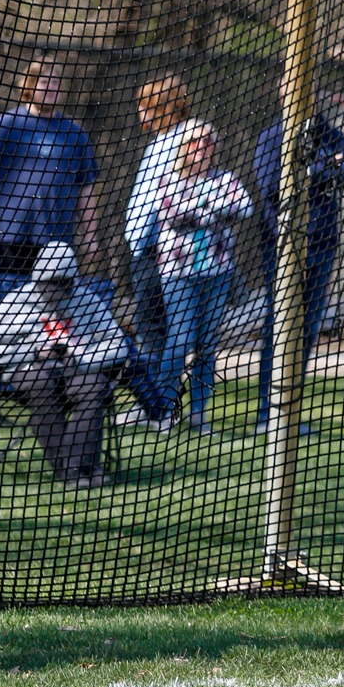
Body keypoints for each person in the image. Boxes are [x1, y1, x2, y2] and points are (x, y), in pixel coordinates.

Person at [0, 242, 129, 489]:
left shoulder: (86, 300)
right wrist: (33, 351)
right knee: (40, 383)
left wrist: (82, 355)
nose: (57, 292)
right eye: (51, 285)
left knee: (94, 386)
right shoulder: (17, 301)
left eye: (63, 284)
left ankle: (77, 467)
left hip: (76, 369)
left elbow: (118, 344)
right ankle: (74, 470)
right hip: (27, 371)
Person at [253, 93, 344, 434]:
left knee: (308, 329)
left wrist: (314, 169)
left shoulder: (327, 132)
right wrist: (324, 167)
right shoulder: (272, 137)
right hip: (282, 245)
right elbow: (273, 185)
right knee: (280, 327)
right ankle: (268, 414)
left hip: (324, 241)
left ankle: (290, 412)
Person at [154, 120, 253, 435]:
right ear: (184, 147)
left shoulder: (225, 178)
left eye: (208, 142)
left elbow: (245, 207)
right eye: (196, 142)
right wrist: (214, 210)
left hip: (217, 271)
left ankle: (199, 413)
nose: (203, 147)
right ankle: (164, 409)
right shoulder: (168, 179)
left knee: (207, 345)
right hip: (178, 273)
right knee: (179, 342)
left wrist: (203, 210)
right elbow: (173, 214)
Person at [0, 56, 100, 289]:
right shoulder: (6, 125)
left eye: (55, 82)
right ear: (29, 86)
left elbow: (86, 189)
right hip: (8, 238)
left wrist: (90, 237)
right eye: (44, 82)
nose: (51, 88)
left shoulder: (74, 133)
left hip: (57, 242)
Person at [115, 75, 193, 432]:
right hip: (143, 248)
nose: (140, 116)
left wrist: (142, 241)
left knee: (157, 332)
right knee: (154, 332)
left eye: (145, 108)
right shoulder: (157, 142)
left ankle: (160, 407)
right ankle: (156, 405)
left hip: (159, 252)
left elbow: (160, 200)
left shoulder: (179, 140)